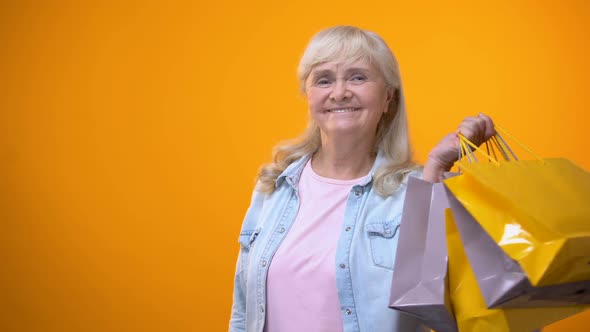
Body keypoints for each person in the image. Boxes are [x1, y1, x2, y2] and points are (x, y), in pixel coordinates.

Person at [229, 26, 495, 332]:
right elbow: (242, 313)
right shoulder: (273, 188)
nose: (339, 92)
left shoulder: (420, 191)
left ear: (388, 98)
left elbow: (449, 315)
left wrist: (435, 171)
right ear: (309, 95)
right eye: (324, 80)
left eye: (358, 77)